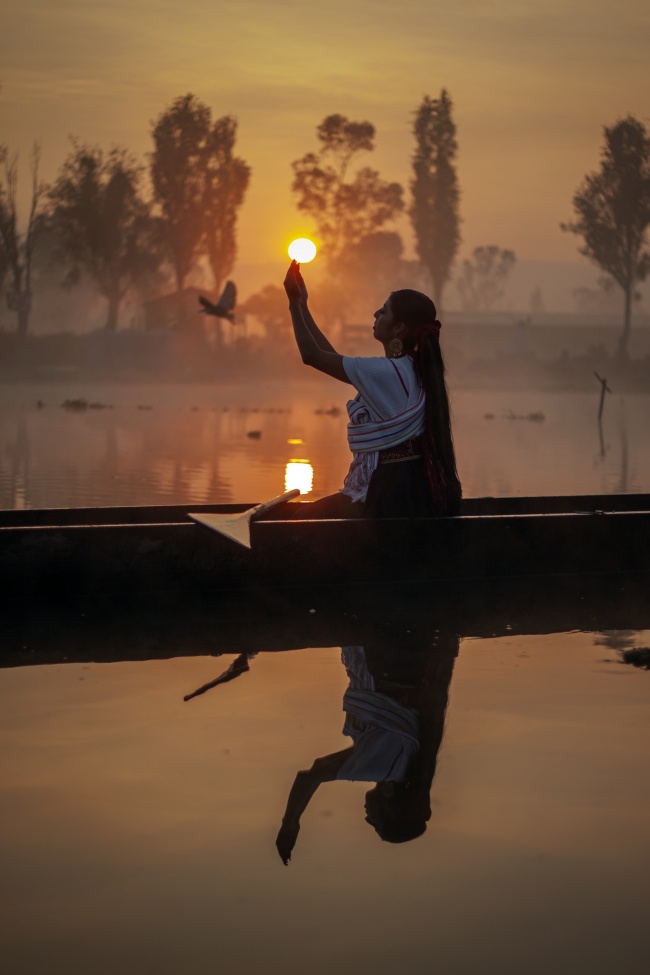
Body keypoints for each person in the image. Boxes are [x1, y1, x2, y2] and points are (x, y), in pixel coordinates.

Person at [283, 261, 461, 519]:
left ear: (399, 328)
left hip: (388, 492)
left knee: (300, 520)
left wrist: (291, 303)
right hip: (410, 488)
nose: (375, 314)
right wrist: (302, 306)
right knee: (308, 515)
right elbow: (328, 356)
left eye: (384, 311)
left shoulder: (388, 372)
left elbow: (311, 355)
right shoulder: (409, 369)